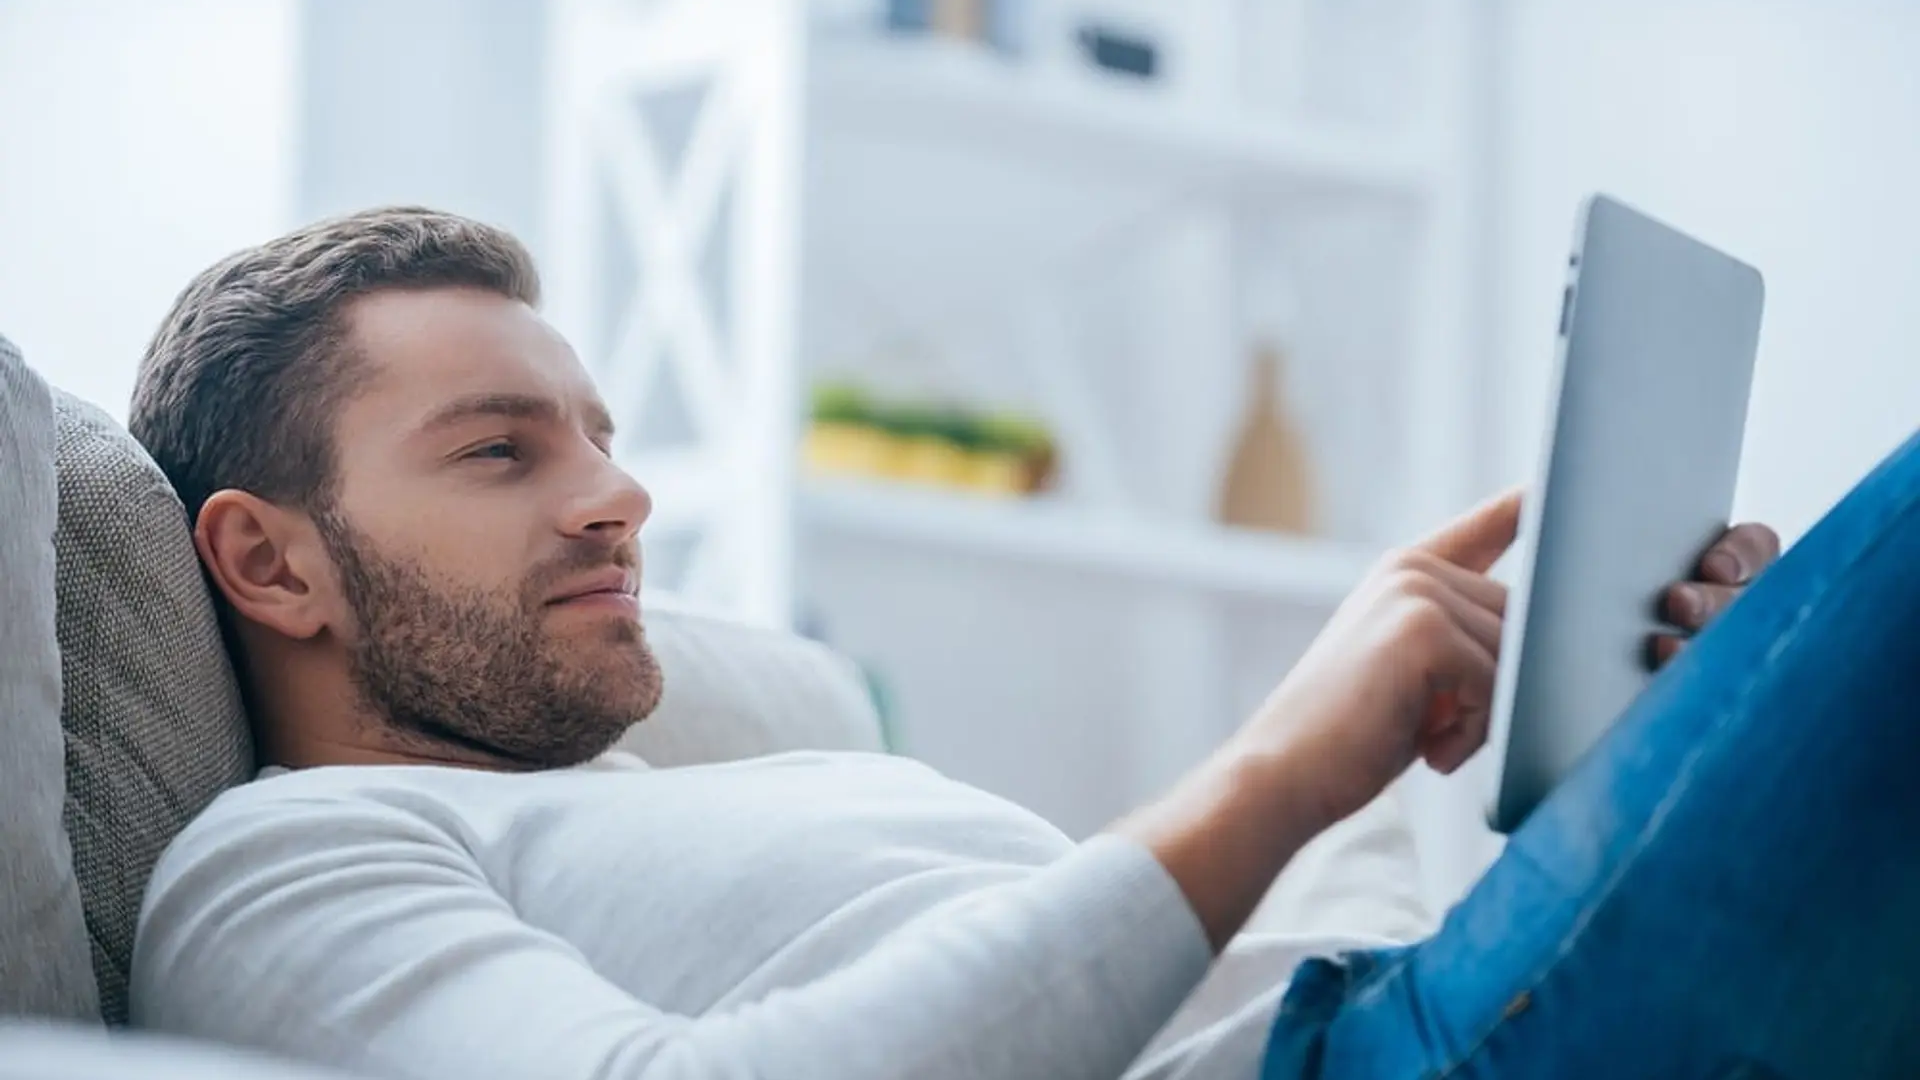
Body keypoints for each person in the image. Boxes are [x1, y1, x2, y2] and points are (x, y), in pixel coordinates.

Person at [121, 207, 1912, 1079]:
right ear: (273, 565)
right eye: (504, 451)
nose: (617, 499)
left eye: (601, 435)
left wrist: (1637, 764)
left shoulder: (745, 782)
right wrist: (1284, 769)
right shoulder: (282, 864)